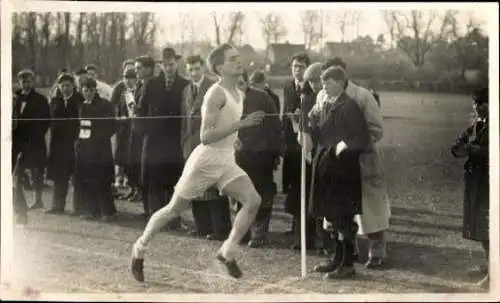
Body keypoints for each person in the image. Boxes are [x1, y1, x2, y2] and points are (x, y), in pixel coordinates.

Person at [130, 43, 265, 281]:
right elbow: (205, 136)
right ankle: (140, 247)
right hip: (204, 161)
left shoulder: (239, 93)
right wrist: (240, 125)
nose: (238, 61)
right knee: (174, 209)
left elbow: (224, 130)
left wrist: (234, 140)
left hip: (225, 160)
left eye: (237, 57)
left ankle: (227, 252)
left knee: (253, 201)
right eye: (232, 59)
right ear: (220, 67)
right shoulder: (215, 93)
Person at [318, 57, 389, 269]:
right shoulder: (323, 95)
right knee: (338, 209)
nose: (325, 83)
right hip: (335, 163)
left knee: (371, 209)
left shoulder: (362, 96)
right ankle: (344, 254)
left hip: (363, 161)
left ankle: (376, 252)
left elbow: (376, 129)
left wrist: (353, 147)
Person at [304, 66, 370, 279]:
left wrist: (345, 146)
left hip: (343, 170)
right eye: (322, 82)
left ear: (340, 82)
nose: (323, 86)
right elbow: (319, 132)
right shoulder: (325, 103)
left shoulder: (350, 106)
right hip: (325, 166)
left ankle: (347, 264)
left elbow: (362, 138)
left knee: (343, 218)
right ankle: (336, 260)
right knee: (331, 215)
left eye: (327, 82)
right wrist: (309, 121)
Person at [138, 48, 191, 231]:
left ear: (176, 64)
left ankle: (174, 219)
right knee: (154, 181)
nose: (168, 68)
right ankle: (157, 219)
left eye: (171, 64)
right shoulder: (151, 84)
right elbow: (140, 109)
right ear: (161, 65)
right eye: (165, 64)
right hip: (154, 141)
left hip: (175, 141)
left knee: (174, 181)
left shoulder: (185, 84)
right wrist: (146, 130)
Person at [182, 54, 232, 240]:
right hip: (191, 146)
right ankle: (202, 226)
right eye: (190, 69)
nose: (194, 73)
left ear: (203, 68)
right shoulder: (186, 90)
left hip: (210, 145)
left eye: (196, 68)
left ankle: (221, 229)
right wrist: (184, 145)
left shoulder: (214, 88)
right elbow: (184, 121)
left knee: (213, 189)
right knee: (196, 188)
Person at [234, 70, 282, 248]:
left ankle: (259, 233)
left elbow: (275, 127)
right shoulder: (227, 99)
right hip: (239, 157)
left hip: (261, 156)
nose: (237, 87)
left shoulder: (262, 97)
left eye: (240, 83)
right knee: (240, 194)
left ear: (247, 82)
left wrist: (275, 154)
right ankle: (242, 231)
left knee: (262, 193)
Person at [451, 87, 489, 289]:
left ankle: (494, 272)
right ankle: (490, 264)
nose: (477, 107)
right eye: (476, 103)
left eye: (482, 103)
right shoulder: (477, 124)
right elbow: (460, 144)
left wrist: (470, 149)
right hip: (476, 181)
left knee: (488, 226)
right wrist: (458, 146)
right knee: (481, 226)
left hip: (488, 183)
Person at [281, 52, 314, 249]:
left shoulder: (313, 88)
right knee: (292, 187)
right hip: (291, 147)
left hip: (307, 145)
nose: (297, 70)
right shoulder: (287, 86)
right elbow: (284, 113)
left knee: (305, 187)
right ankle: (296, 227)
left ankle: (306, 235)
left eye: (301, 67)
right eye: (295, 66)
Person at [73, 78, 117, 221]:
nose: (88, 94)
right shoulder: (80, 106)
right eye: (85, 91)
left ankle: (108, 211)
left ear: (95, 90)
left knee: (102, 180)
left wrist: (96, 136)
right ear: (81, 91)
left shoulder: (105, 105)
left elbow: (111, 126)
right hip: (85, 149)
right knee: (87, 180)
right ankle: (92, 210)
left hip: (100, 149)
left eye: (91, 90)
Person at [12, 69, 51, 223]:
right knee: (16, 175)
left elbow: (45, 121)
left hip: (33, 141)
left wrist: (35, 136)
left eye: (28, 81)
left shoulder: (40, 99)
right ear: (19, 82)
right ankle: (18, 209)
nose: (26, 84)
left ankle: (37, 200)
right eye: (23, 81)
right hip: (17, 142)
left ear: (32, 82)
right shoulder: (15, 98)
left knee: (36, 169)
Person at [45, 73, 84, 214]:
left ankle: (79, 207)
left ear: (73, 85)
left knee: (76, 175)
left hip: (74, 142)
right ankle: (57, 206)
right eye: (62, 85)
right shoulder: (55, 101)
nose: (65, 88)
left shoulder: (80, 100)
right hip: (58, 144)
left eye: (68, 85)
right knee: (59, 175)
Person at [115, 68, 143, 202]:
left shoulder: (139, 92)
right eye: (125, 78)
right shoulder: (123, 93)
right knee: (125, 161)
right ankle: (131, 188)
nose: (127, 81)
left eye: (130, 78)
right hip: (124, 132)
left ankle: (138, 190)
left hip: (136, 133)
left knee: (135, 162)